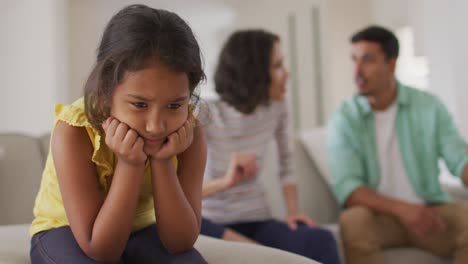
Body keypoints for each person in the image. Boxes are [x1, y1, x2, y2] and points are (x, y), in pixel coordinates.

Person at [29, 5, 207, 263]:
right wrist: (130, 163)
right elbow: (100, 249)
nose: (156, 126)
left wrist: (163, 162)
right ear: (105, 92)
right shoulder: (73, 133)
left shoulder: (190, 132)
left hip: (141, 229)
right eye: (139, 105)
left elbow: (179, 243)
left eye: (174, 105)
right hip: (66, 230)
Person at [327, 25, 468, 264]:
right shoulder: (344, 117)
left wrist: (417, 211)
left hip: (429, 213)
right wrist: (405, 210)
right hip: (378, 219)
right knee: (353, 221)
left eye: (368, 60)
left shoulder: (428, 106)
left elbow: (459, 157)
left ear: (391, 64)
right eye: (354, 60)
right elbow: (349, 189)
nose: (357, 71)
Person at [199, 29, 341, 264]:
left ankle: (255, 251)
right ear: (253, 72)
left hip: (258, 219)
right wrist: (225, 182)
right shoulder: (206, 114)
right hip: (212, 223)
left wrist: (293, 213)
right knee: (195, 227)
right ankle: (255, 251)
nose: (287, 73)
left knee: (320, 239)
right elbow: (181, 193)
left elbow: (287, 165)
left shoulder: (276, 108)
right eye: (277, 66)